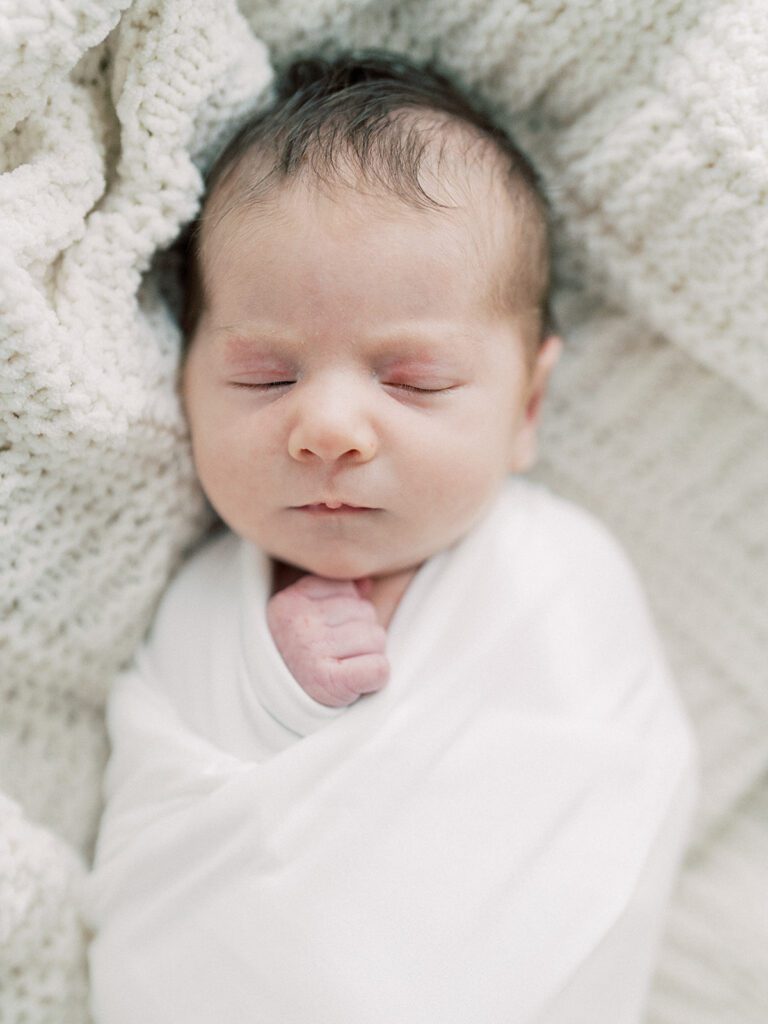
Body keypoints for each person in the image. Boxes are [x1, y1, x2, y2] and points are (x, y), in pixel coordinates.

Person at [83, 51, 699, 1024]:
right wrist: (271, 686)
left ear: (526, 405)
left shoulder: (560, 573)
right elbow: (162, 787)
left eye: (411, 381)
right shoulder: (208, 596)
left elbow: (611, 789)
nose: (328, 427)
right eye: (264, 378)